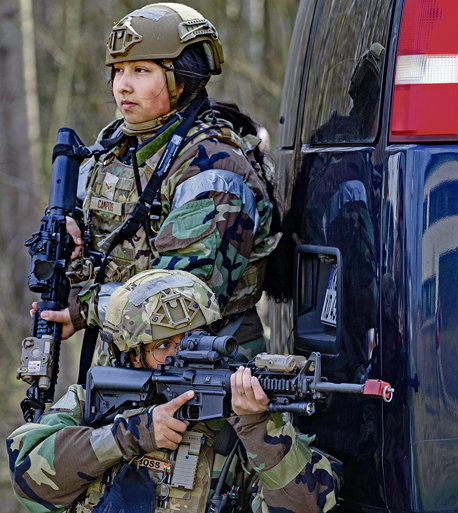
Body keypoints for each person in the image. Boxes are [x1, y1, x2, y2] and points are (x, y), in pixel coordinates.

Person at [38, 2, 280, 360]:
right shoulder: (117, 146)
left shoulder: (214, 167)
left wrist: (85, 308)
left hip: (204, 370)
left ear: (181, 80)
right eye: (118, 70)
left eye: (141, 70)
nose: (123, 85)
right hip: (126, 362)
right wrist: (72, 231)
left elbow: (179, 300)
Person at [8, 269, 342, 513]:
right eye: (163, 345)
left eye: (193, 340)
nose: (180, 356)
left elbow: (307, 506)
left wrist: (258, 429)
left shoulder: (240, 423)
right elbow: (27, 480)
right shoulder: (94, 404)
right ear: (132, 355)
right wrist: (130, 434)